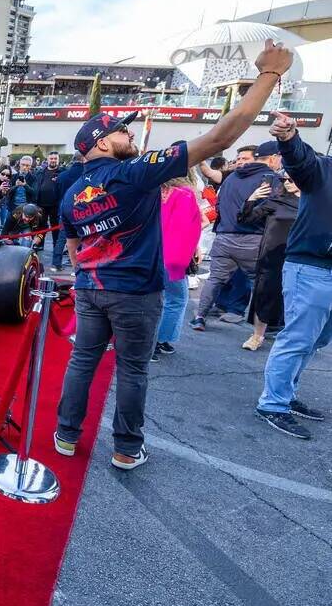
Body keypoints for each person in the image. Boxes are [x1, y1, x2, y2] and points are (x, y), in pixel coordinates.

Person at [54, 39, 293, 470]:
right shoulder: (133, 172)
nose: (130, 133)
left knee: (83, 360)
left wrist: (87, 275)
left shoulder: (71, 191)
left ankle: (66, 436)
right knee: (131, 369)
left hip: (92, 288)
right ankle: (127, 449)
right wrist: (270, 75)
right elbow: (223, 133)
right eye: (122, 130)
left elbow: (73, 246)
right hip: (135, 293)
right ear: (103, 144)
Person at [255, 112, 331, 438]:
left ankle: (286, 394)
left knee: (316, 340)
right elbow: (300, 162)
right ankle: (273, 404)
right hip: (311, 268)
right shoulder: (322, 169)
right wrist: (287, 138)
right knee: (298, 338)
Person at [189, 140, 276, 331]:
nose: (239, 162)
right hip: (253, 237)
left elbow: (219, 205)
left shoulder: (231, 178)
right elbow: (272, 210)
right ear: (270, 158)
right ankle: (263, 328)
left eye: (243, 158)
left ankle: (200, 317)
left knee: (215, 279)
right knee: (259, 282)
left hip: (224, 237)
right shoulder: (269, 178)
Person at [238, 170, 300, 352]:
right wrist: (252, 198)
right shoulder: (277, 200)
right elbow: (245, 218)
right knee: (264, 294)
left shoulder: (314, 204)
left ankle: (300, 337)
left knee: (298, 299)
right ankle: (257, 335)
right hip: (272, 256)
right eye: (284, 178)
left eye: (292, 178)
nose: (287, 182)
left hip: (299, 256)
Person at [154, 178, 202, 361]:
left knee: (153, 299)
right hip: (172, 257)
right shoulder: (184, 195)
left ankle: (154, 342)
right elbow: (183, 230)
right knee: (176, 299)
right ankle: (159, 341)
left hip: (150, 254)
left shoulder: (152, 190)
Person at [29, 151, 65, 270]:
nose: (53, 160)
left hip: (56, 205)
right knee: (41, 229)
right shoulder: (40, 172)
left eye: (55, 158)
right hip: (41, 205)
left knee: (56, 230)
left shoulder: (62, 172)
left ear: (58, 160)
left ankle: (56, 254)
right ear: (47, 160)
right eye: (51, 158)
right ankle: (38, 254)